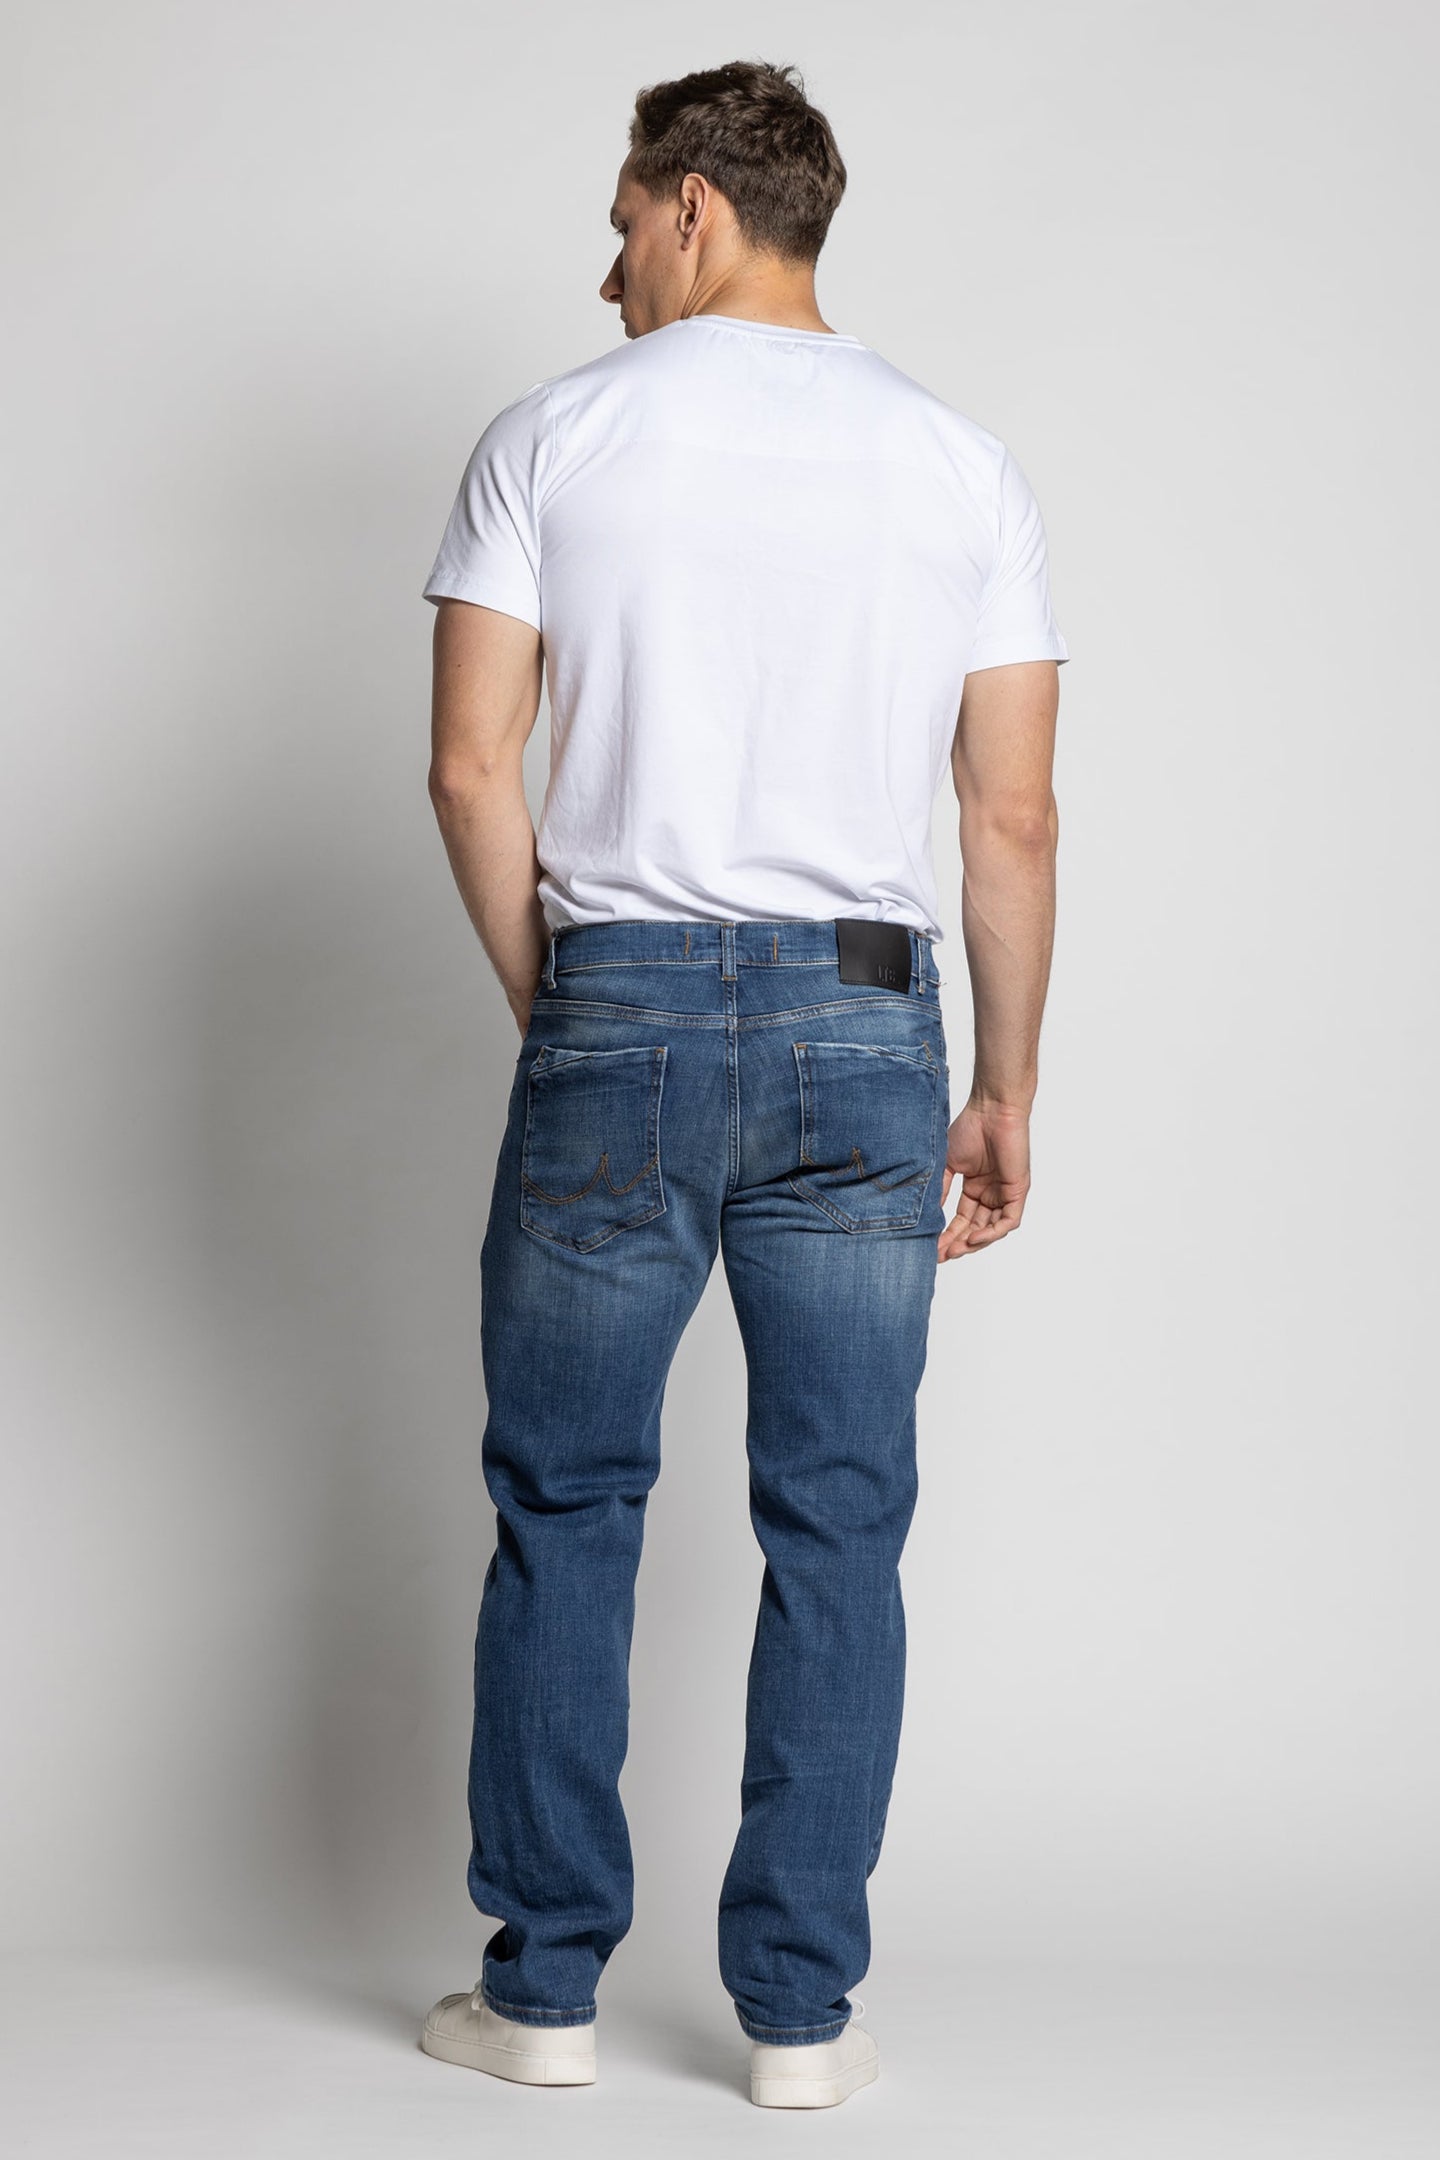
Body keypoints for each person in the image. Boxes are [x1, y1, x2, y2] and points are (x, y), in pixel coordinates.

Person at [416, 58, 1068, 2110]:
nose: (605, 259)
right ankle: (796, 2021)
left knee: (566, 1504)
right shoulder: (962, 467)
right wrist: (1009, 1089)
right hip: (874, 1030)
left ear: (696, 207)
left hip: (617, 1003)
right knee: (843, 1524)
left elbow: (465, 764)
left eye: (623, 218)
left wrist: (566, 1001)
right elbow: (1013, 819)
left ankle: (541, 1999)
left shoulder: (549, 438)